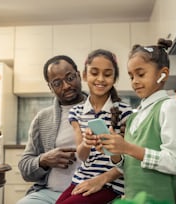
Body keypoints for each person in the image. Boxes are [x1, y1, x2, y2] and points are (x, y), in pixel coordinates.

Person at [99, 39, 176, 203]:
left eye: (140, 74)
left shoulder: (170, 107)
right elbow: (127, 167)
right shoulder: (134, 117)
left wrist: (128, 147)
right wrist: (115, 153)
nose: (134, 81)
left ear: (163, 74)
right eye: (131, 76)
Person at [56, 49, 133, 204]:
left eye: (107, 74)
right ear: (84, 75)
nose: (100, 79)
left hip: (112, 184)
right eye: (94, 72)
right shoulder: (76, 113)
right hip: (80, 179)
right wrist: (86, 143)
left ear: (114, 78)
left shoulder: (126, 113)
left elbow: (130, 159)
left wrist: (101, 179)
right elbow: (82, 156)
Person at [17, 55, 86, 204]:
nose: (66, 86)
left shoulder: (100, 110)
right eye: (57, 83)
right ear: (50, 87)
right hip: (50, 194)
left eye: (70, 78)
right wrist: (43, 160)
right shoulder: (42, 118)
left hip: (89, 192)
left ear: (79, 75)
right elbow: (24, 168)